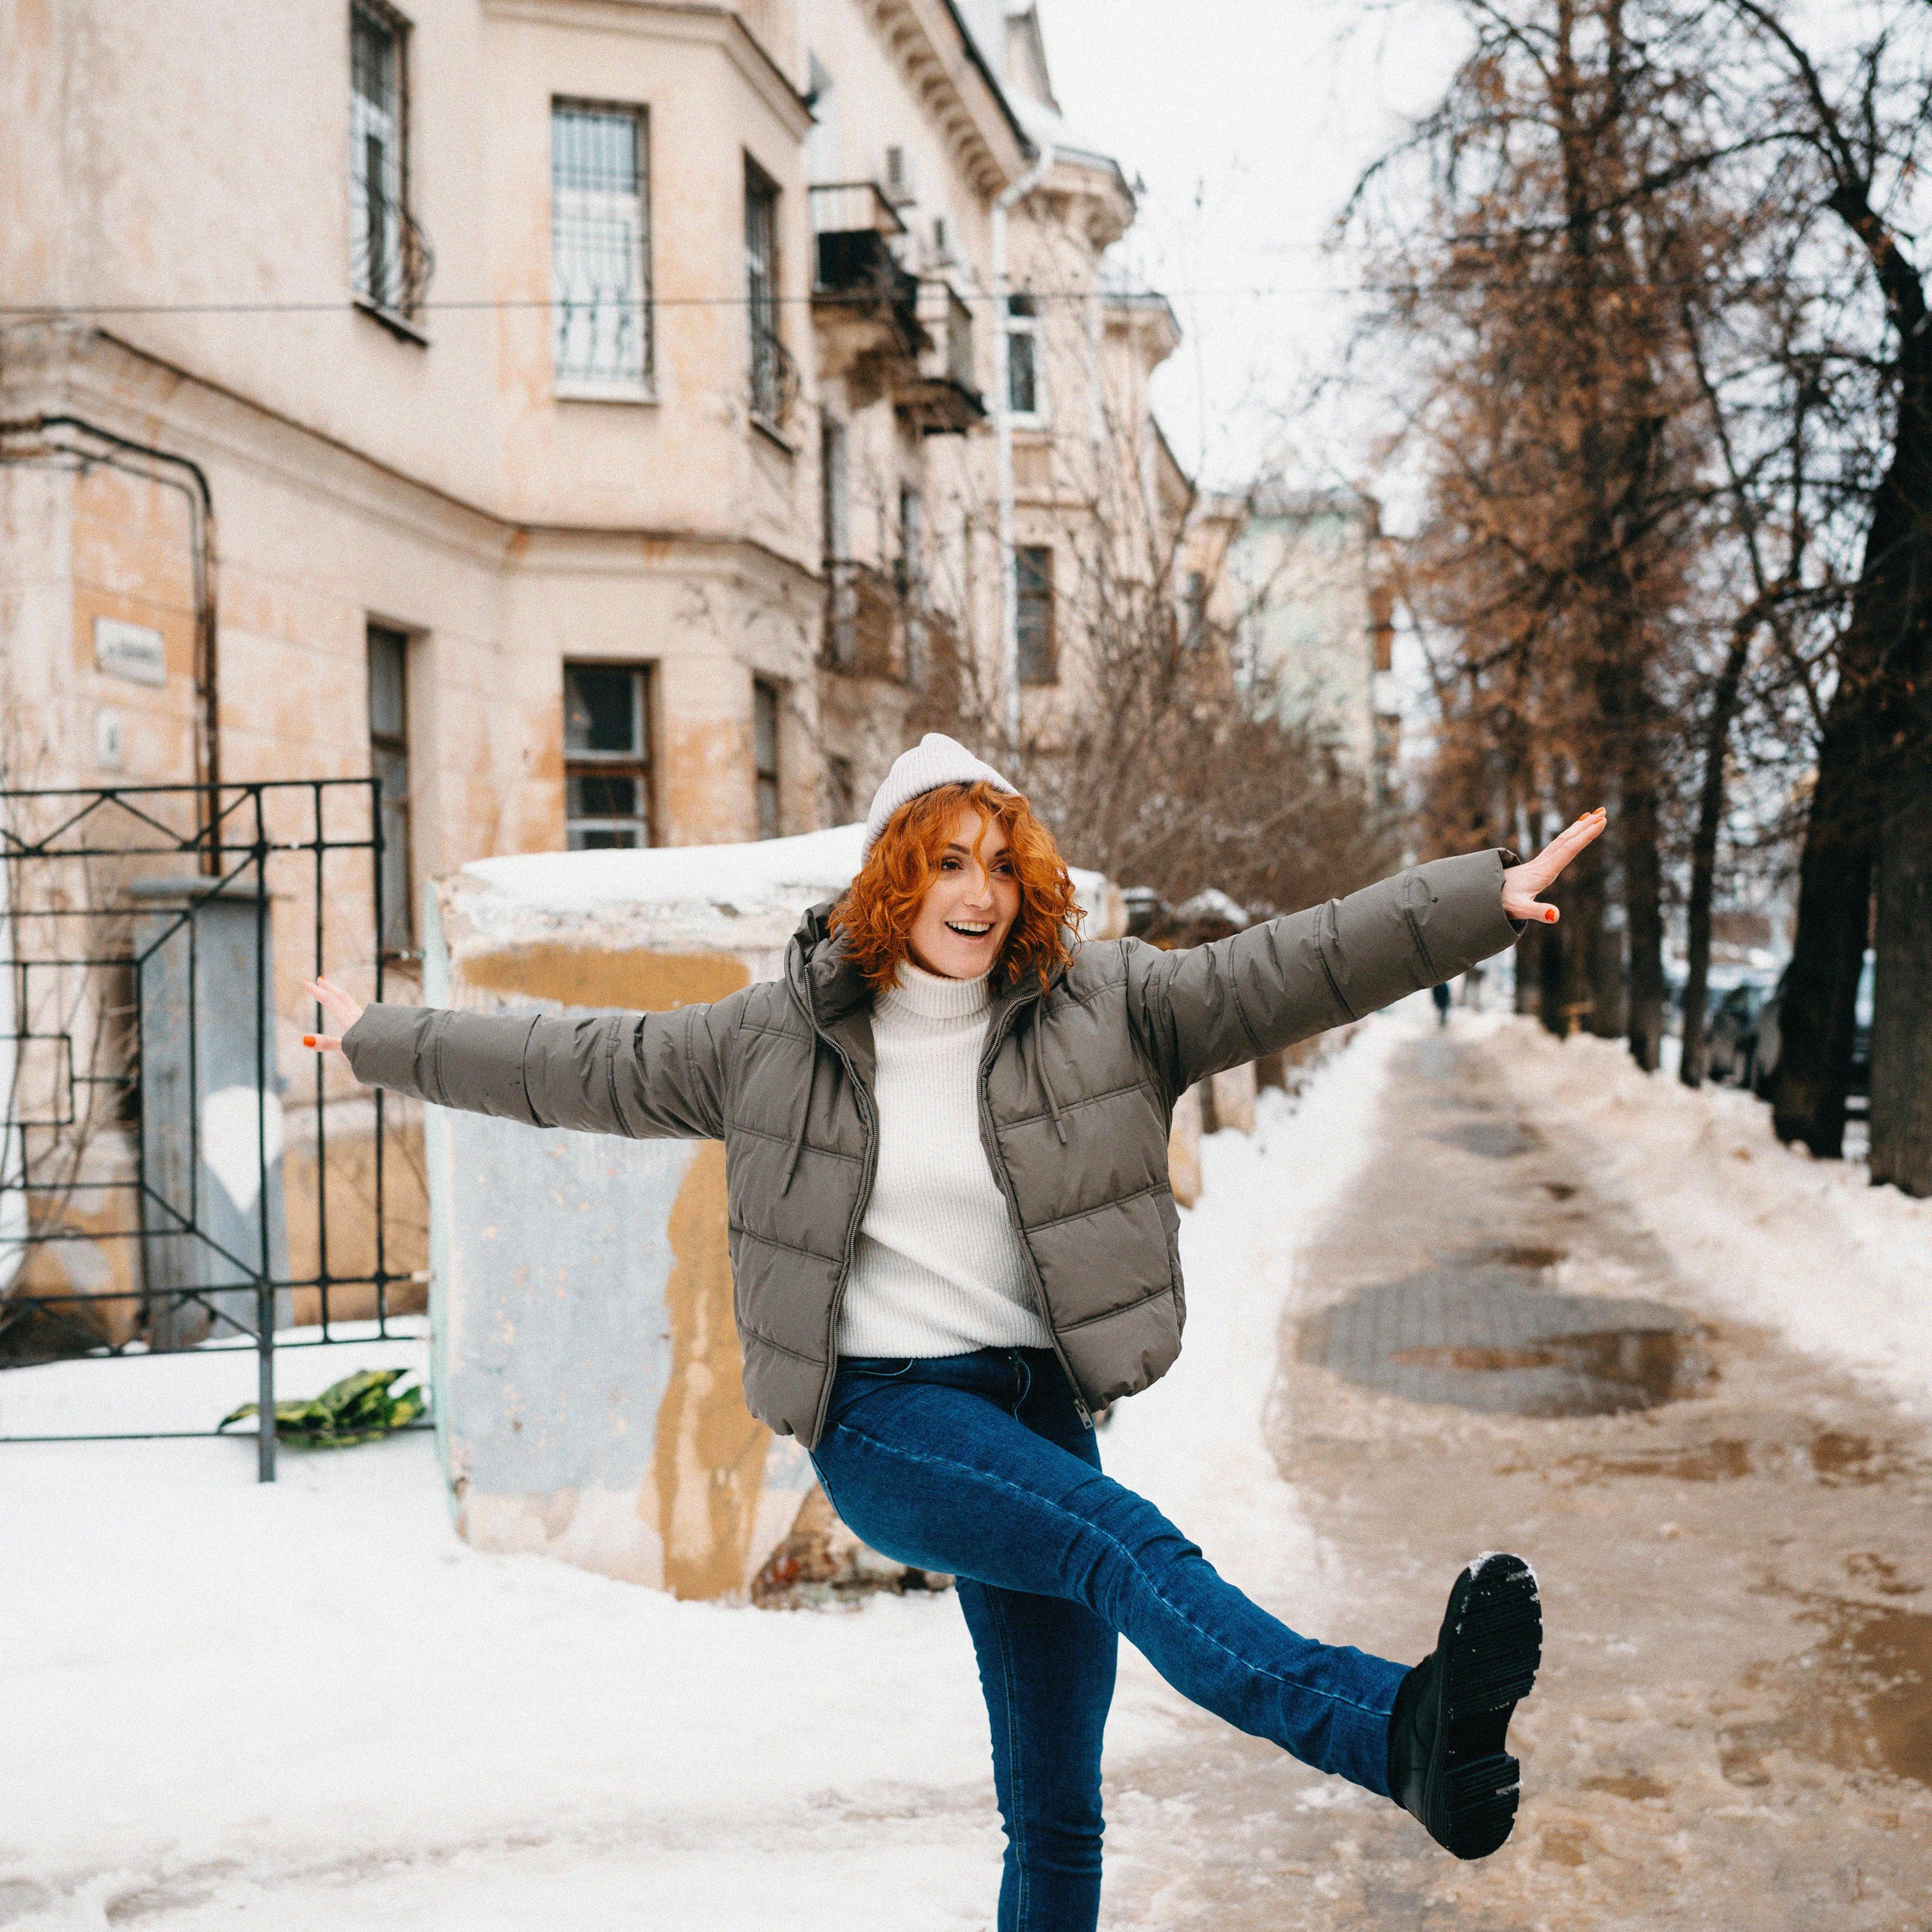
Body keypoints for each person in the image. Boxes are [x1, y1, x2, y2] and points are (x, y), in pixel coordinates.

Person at [303, 735, 1606, 1932]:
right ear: (892, 876)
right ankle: (1391, 1730)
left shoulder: (1109, 1006)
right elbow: (564, 1060)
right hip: (889, 1419)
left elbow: (1296, 962)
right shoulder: (770, 1040)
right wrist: (376, 1036)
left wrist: (1471, 903)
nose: (978, 892)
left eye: (999, 863)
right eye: (946, 862)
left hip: (1035, 1412)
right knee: (1123, 1547)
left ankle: (1399, 1733)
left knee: (1056, 1808)